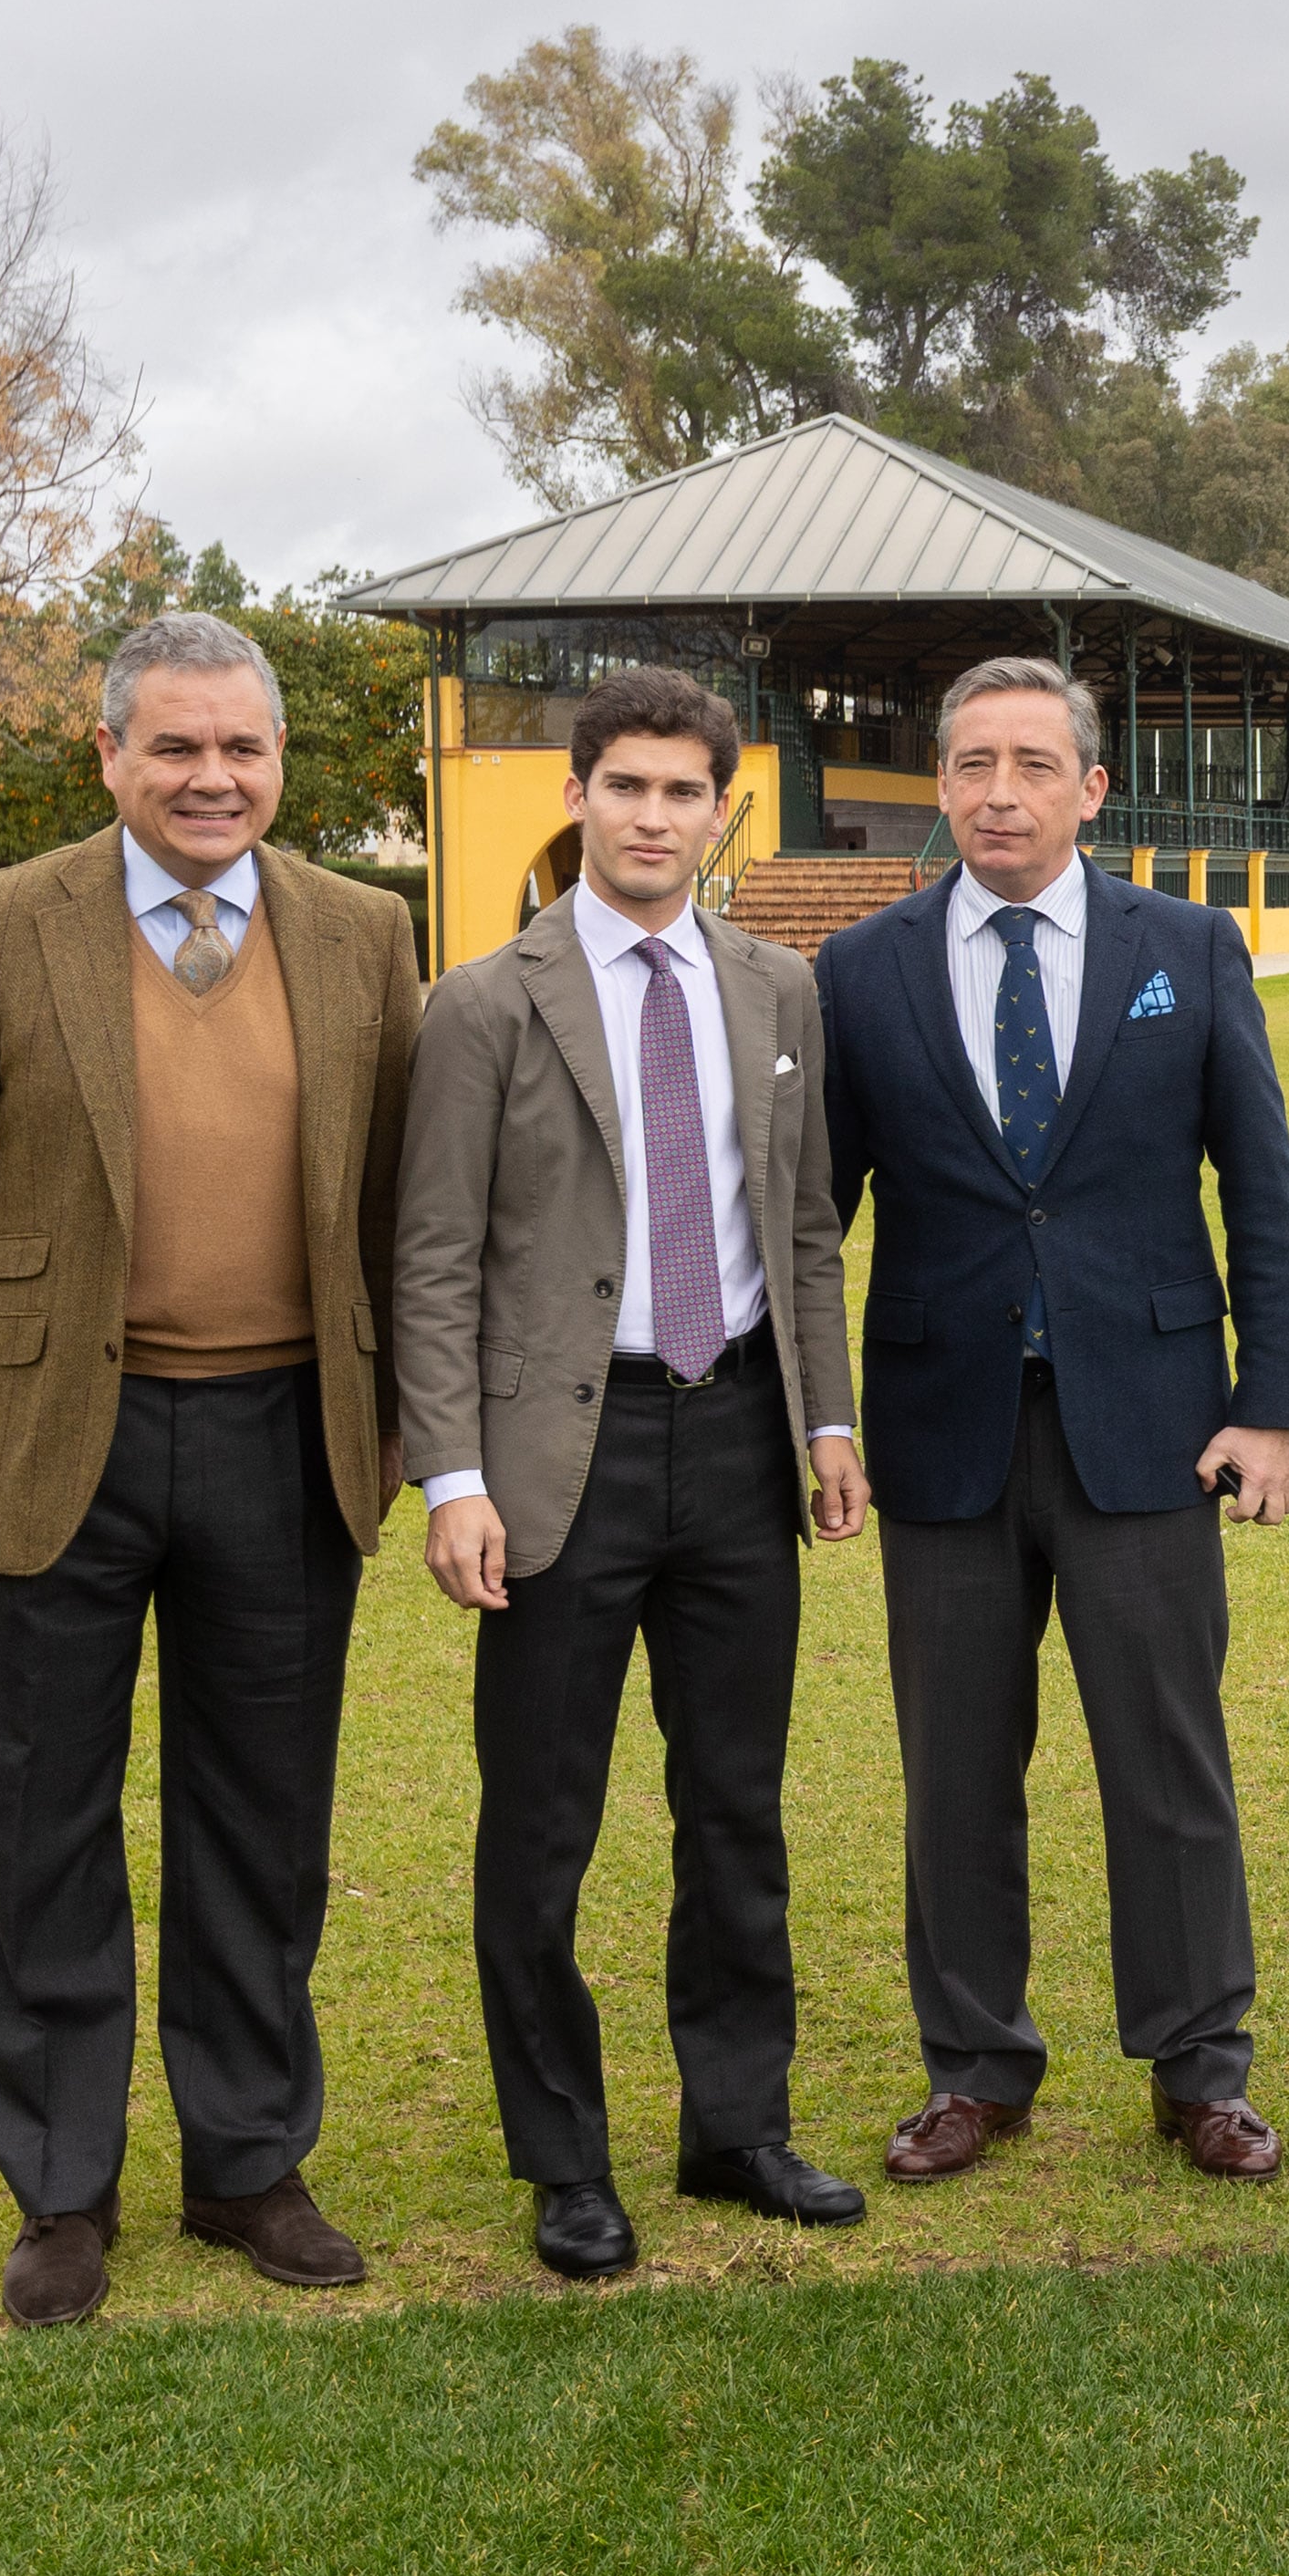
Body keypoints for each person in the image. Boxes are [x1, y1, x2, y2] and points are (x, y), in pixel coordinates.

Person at [0, 611, 420, 2328]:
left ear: (278, 761)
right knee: (41, 1820)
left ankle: (247, 2158)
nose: (211, 776)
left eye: (241, 747)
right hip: (47, 1439)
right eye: (175, 746)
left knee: (263, 1820)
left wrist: (410, 1422)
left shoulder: (362, 929)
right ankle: (61, 2184)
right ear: (107, 755)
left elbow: (405, 1197)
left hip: (283, 1432)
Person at [812, 654, 1289, 2187]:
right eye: (970, 763)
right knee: (954, 1760)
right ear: (940, 783)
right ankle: (973, 2064)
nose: (998, 792)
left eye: (1033, 763)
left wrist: (1276, 1406)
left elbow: (1263, 1184)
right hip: (939, 1426)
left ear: (1091, 787)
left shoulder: (1188, 944)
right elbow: (807, 1213)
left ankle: (1199, 2067)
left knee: (1167, 1755)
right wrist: (814, 1418)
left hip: (1151, 1424)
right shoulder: (864, 967)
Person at [394, 667, 874, 2280]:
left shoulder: (778, 989)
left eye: (684, 791)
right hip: (556, 1456)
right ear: (579, 797)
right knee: (541, 1821)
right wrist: (452, 1474)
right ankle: (563, 2159)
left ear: (723, 812)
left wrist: (825, 1422)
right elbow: (434, 1257)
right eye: (626, 786)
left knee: (734, 1806)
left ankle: (735, 2122)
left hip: (739, 1438)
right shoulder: (480, 1002)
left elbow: (801, 1227)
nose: (654, 815)